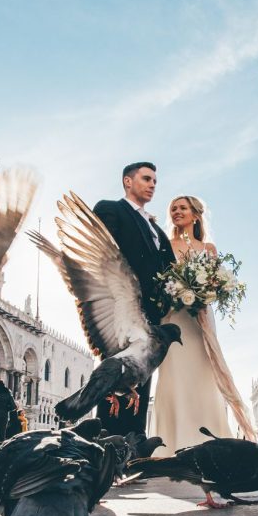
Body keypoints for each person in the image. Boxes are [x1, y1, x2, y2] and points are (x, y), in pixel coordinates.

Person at [152, 195, 257, 454]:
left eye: (182, 208)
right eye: (173, 208)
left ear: (195, 215)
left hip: (200, 320)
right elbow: (159, 282)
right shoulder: (165, 244)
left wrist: (208, 292)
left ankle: (209, 443)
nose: (177, 212)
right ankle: (170, 445)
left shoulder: (208, 248)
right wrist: (176, 291)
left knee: (202, 374)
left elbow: (215, 282)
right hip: (174, 318)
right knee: (174, 373)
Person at [92, 162, 177, 435]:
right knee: (115, 375)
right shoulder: (110, 209)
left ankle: (134, 447)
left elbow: (169, 267)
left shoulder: (156, 228)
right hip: (122, 312)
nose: (153, 184)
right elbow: (99, 255)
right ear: (128, 182)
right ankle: (106, 445)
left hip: (152, 314)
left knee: (141, 378)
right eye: (147, 178)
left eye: (155, 180)